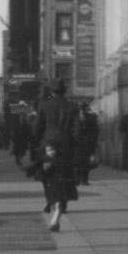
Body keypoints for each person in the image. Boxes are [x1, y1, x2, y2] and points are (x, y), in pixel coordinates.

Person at [31, 77, 79, 232]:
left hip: (48, 145)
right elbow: (77, 131)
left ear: (51, 91)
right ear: (65, 90)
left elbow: (37, 128)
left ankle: (53, 202)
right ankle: (59, 207)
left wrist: (37, 143)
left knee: (48, 176)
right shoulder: (72, 107)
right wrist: (74, 145)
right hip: (66, 146)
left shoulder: (44, 106)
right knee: (65, 177)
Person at [76, 103, 100, 184]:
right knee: (86, 161)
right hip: (88, 142)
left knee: (80, 161)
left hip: (79, 143)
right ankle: (84, 179)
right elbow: (96, 131)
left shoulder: (76, 118)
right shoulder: (92, 117)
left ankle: (79, 178)